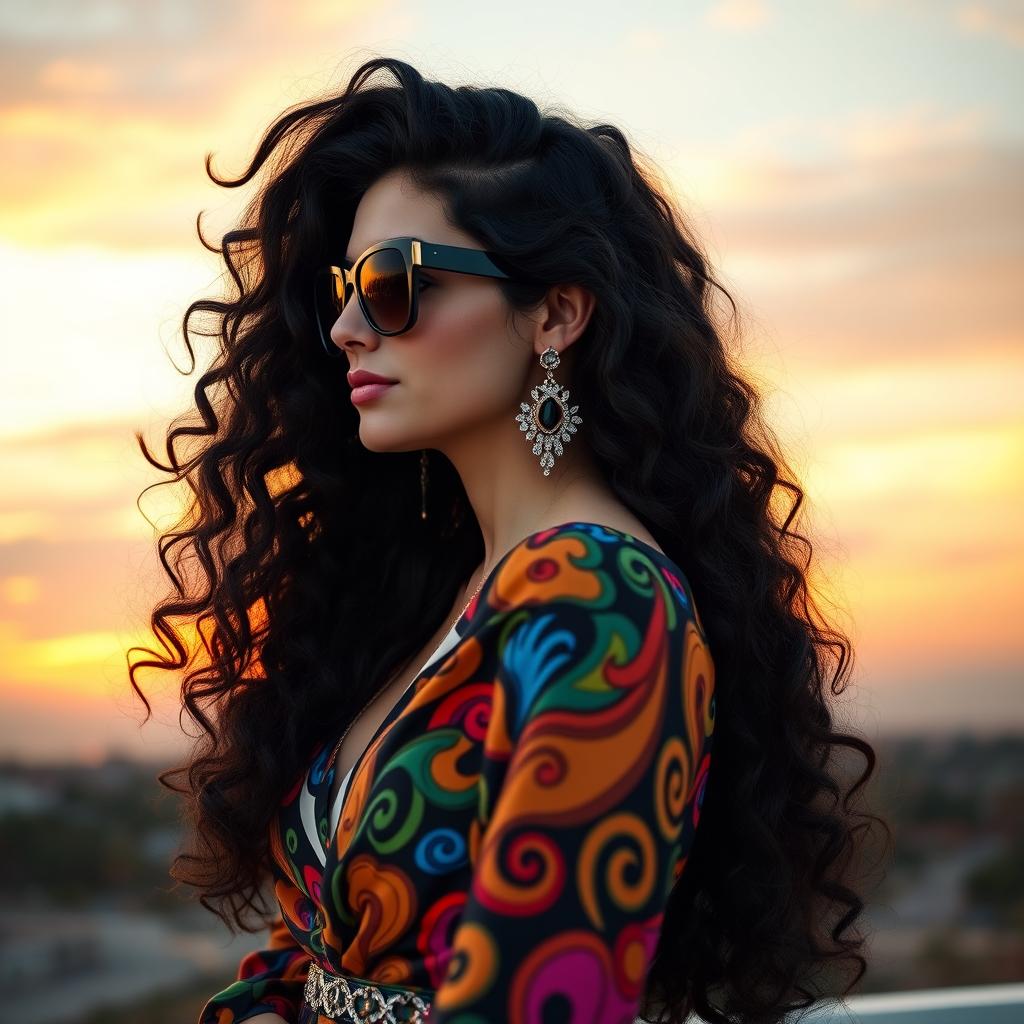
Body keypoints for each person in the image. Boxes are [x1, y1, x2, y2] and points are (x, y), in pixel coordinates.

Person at [130, 56, 887, 1024]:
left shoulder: (603, 598)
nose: (349, 328)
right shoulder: (454, 591)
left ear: (556, 313)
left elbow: (543, 1001)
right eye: (342, 286)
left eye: (396, 283)